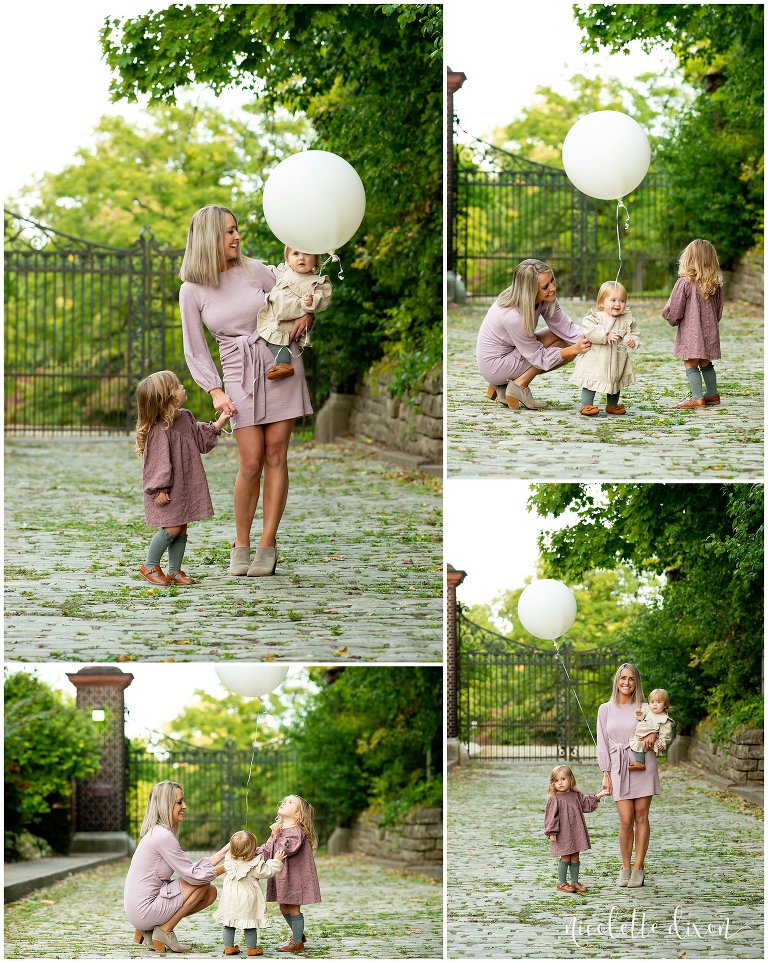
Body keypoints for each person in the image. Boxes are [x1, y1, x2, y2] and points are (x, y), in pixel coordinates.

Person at [179, 205, 314, 578]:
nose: (238, 237)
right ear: (209, 238)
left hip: (280, 362)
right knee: (251, 461)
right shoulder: (191, 290)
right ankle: (241, 542)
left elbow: (296, 294)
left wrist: (309, 315)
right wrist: (214, 390)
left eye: (236, 230)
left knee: (276, 455)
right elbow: (195, 347)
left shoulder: (255, 270)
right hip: (238, 373)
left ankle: (267, 543)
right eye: (229, 232)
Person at [136, 370, 230, 586]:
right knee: (171, 527)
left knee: (182, 526)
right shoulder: (159, 429)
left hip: (185, 484)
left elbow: (198, 438)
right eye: (178, 386)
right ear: (167, 397)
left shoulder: (185, 417)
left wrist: (219, 423)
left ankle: (175, 570)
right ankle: (150, 565)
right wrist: (158, 489)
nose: (183, 387)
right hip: (167, 489)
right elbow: (157, 462)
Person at [124, 781, 229, 953]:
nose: (184, 806)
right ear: (166, 805)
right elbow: (194, 876)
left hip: (140, 907)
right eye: (179, 802)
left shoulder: (157, 832)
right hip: (143, 909)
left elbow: (189, 868)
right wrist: (230, 866)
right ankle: (164, 931)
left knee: (210, 892)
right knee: (202, 884)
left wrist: (223, 852)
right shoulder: (163, 836)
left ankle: (149, 930)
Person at [477, 258, 591, 410]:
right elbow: (538, 357)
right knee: (566, 349)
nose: (552, 288)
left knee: (562, 337)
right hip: (495, 365)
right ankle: (518, 386)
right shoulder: (513, 316)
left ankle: (501, 385)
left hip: (511, 351)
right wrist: (574, 350)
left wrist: (598, 337)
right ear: (530, 290)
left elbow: (566, 329)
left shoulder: (544, 298)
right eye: (545, 286)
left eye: (552, 280)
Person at [597, 663, 661, 889]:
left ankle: (638, 868)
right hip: (619, 765)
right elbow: (602, 743)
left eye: (631, 679)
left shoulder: (646, 707)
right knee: (626, 819)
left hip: (643, 763)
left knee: (641, 816)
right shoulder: (605, 708)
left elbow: (662, 727)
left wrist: (653, 734)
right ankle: (625, 866)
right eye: (623, 678)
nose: (626, 683)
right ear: (617, 681)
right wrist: (606, 772)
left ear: (637, 682)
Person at [662, 238, 724, 409]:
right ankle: (712, 395)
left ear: (688, 259)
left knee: (690, 362)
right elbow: (719, 311)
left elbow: (675, 308)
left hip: (691, 331)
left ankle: (697, 398)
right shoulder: (715, 285)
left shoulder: (685, 282)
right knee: (705, 361)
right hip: (709, 330)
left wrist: (671, 318)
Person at [256, 247, 332, 381]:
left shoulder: (317, 281)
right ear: (288, 260)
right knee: (269, 335)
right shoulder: (284, 272)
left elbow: (323, 299)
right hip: (276, 314)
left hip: (290, 320)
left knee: (277, 337)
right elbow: (270, 272)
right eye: (295, 254)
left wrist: (310, 301)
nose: (301, 258)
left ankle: (284, 364)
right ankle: (280, 363)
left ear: (316, 259)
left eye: (307, 253)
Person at [258, 794, 321, 953]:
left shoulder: (296, 831)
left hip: (294, 877)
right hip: (282, 876)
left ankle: (297, 941)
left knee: (292, 907)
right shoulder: (279, 830)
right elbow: (268, 850)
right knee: (283, 907)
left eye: (290, 802)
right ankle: (298, 934)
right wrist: (251, 851)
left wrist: (276, 836)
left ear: (298, 814)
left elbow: (286, 850)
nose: (285, 803)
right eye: (285, 801)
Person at [569, 280, 640, 416]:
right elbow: (589, 330)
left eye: (622, 301)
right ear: (602, 302)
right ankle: (587, 404)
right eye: (613, 300)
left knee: (616, 381)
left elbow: (633, 333)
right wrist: (605, 335)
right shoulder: (596, 317)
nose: (618, 304)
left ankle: (612, 404)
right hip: (596, 359)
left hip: (617, 360)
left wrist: (631, 340)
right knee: (591, 380)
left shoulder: (627, 319)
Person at [214, 830, 287, 957]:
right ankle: (251, 949)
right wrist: (277, 860)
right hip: (247, 897)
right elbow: (268, 871)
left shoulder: (228, 859)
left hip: (230, 897)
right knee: (250, 922)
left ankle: (229, 947)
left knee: (229, 923)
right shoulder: (255, 864)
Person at [544, 765, 610, 893]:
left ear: (571, 779)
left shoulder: (576, 795)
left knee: (575, 856)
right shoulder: (554, 799)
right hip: (563, 833)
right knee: (565, 857)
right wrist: (552, 831)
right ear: (553, 783)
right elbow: (551, 817)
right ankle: (562, 883)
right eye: (556, 781)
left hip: (575, 831)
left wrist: (600, 794)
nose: (560, 783)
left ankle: (574, 882)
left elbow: (587, 804)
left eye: (563, 779)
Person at [629, 688, 674, 772]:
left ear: (665, 705)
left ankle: (640, 763)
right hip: (640, 735)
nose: (655, 705)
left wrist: (662, 742)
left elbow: (665, 733)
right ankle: (640, 763)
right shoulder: (647, 710)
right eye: (652, 702)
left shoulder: (665, 719)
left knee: (640, 745)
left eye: (658, 702)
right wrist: (639, 713)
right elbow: (641, 717)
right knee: (637, 744)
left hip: (653, 740)